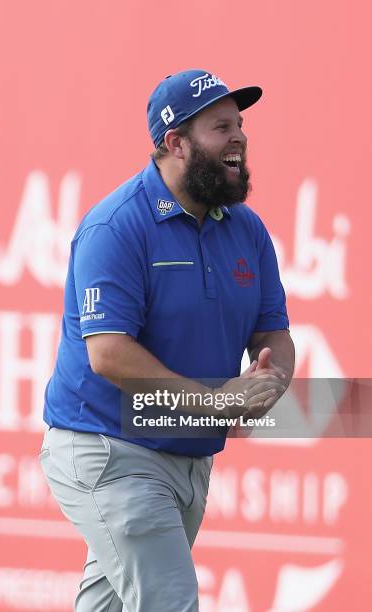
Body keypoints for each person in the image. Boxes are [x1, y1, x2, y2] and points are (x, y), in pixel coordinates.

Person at [39, 69, 295, 612]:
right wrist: (214, 403)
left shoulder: (247, 229)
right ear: (175, 143)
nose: (240, 138)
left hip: (188, 453)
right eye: (220, 127)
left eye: (240, 125)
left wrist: (270, 384)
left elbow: (272, 329)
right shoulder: (117, 225)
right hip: (109, 448)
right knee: (168, 601)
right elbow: (107, 352)